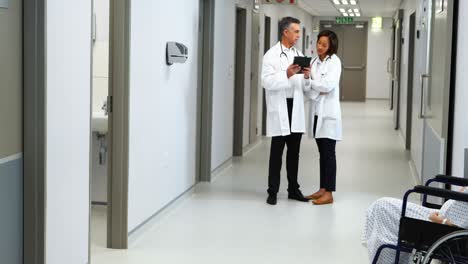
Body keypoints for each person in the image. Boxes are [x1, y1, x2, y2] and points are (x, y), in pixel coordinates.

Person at [261, 17, 311, 205]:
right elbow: (266, 81)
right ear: (285, 32)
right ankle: (272, 191)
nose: (298, 35)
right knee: (277, 153)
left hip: (295, 107)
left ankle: (293, 190)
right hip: (280, 107)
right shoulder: (271, 55)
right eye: (296, 31)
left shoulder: (299, 54)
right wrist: (286, 74)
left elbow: (304, 87)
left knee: (294, 153)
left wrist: (307, 77)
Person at [362, 187, 468, 263]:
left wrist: (442, 220)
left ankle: (385, 259)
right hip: (436, 218)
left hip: (439, 225)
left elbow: (457, 227)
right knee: (381, 206)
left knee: (382, 207)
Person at [304, 30, 342, 205]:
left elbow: (327, 86)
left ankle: (330, 193)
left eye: (324, 45)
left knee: (329, 154)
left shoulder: (334, 62)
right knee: (322, 154)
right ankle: (322, 188)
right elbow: (309, 90)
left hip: (328, 115)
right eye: (318, 43)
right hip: (317, 113)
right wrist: (310, 82)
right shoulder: (313, 62)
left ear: (331, 46)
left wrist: (311, 83)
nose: (319, 47)